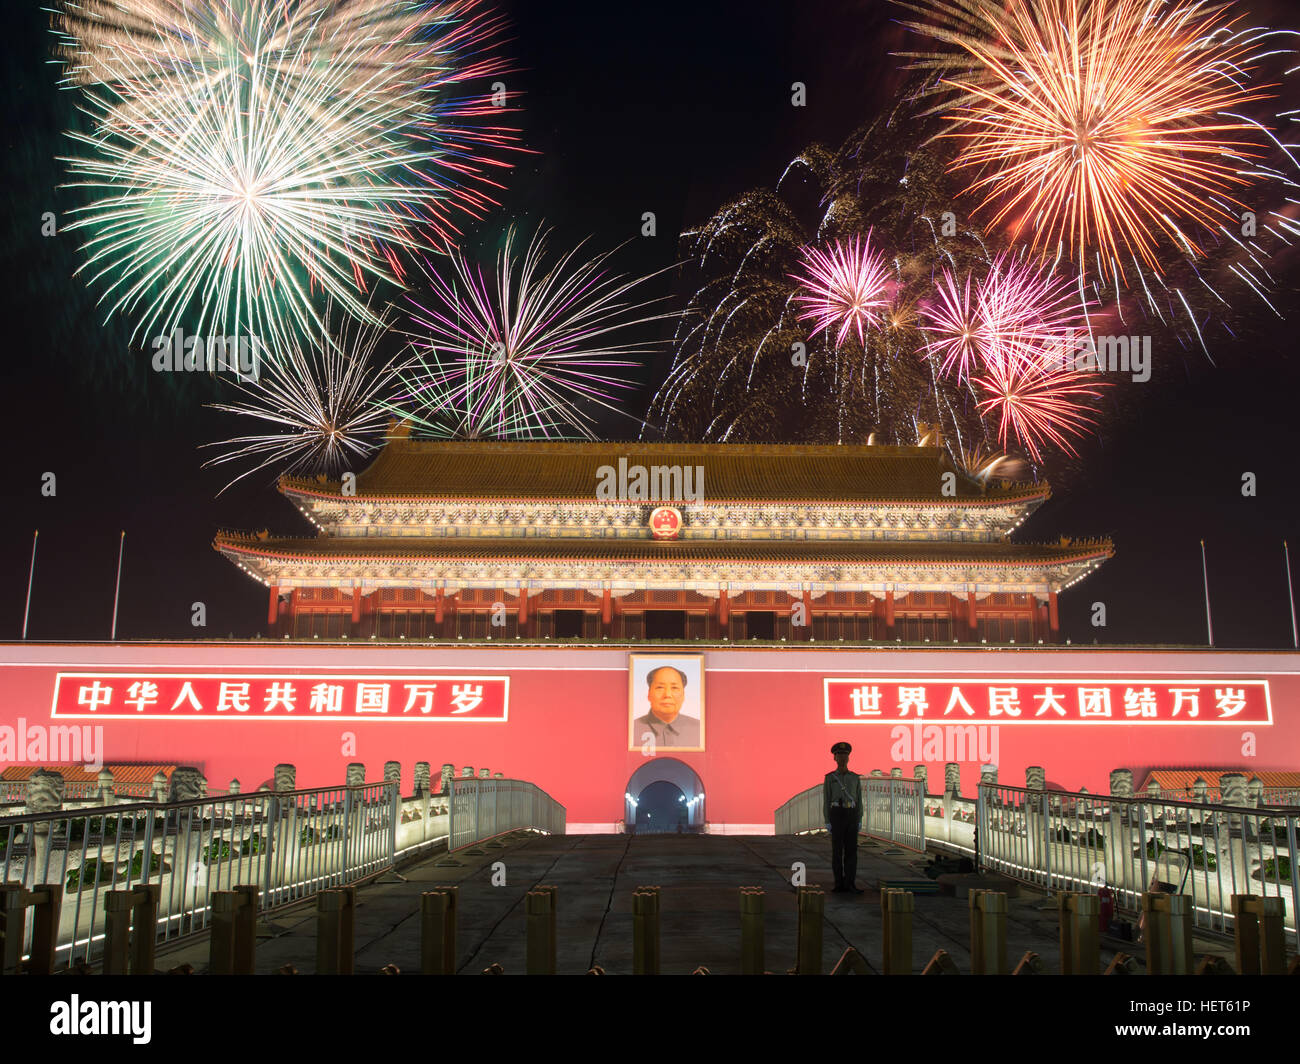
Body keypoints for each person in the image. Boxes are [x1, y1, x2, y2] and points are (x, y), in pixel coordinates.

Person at [823, 742, 863, 893]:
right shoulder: (830, 778)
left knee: (852, 851)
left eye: (845, 755)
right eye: (839, 754)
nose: (842, 757)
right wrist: (827, 820)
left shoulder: (854, 778)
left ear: (849, 758)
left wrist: (859, 818)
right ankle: (838, 884)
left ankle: (850, 884)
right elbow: (826, 800)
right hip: (837, 815)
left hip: (851, 814)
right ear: (835, 757)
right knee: (837, 851)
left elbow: (859, 799)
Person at [635, 665, 701, 747]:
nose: (667, 694)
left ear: (683, 695)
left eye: (674, 688)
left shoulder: (700, 730)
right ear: (649, 694)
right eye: (660, 687)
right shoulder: (632, 729)